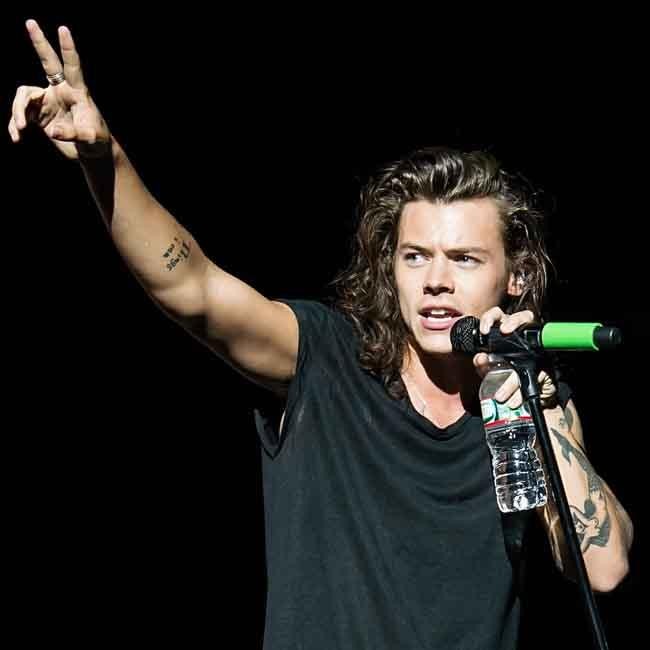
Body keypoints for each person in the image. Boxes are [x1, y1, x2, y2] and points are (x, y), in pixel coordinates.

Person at [10, 20, 634, 650]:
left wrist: (527, 399)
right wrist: (105, 159)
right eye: (415, 256)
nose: (435, 282)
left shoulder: (529, 402)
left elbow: (604, 570)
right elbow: (191, 287)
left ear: (515, 276)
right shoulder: (326, 356)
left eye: (464, 260)